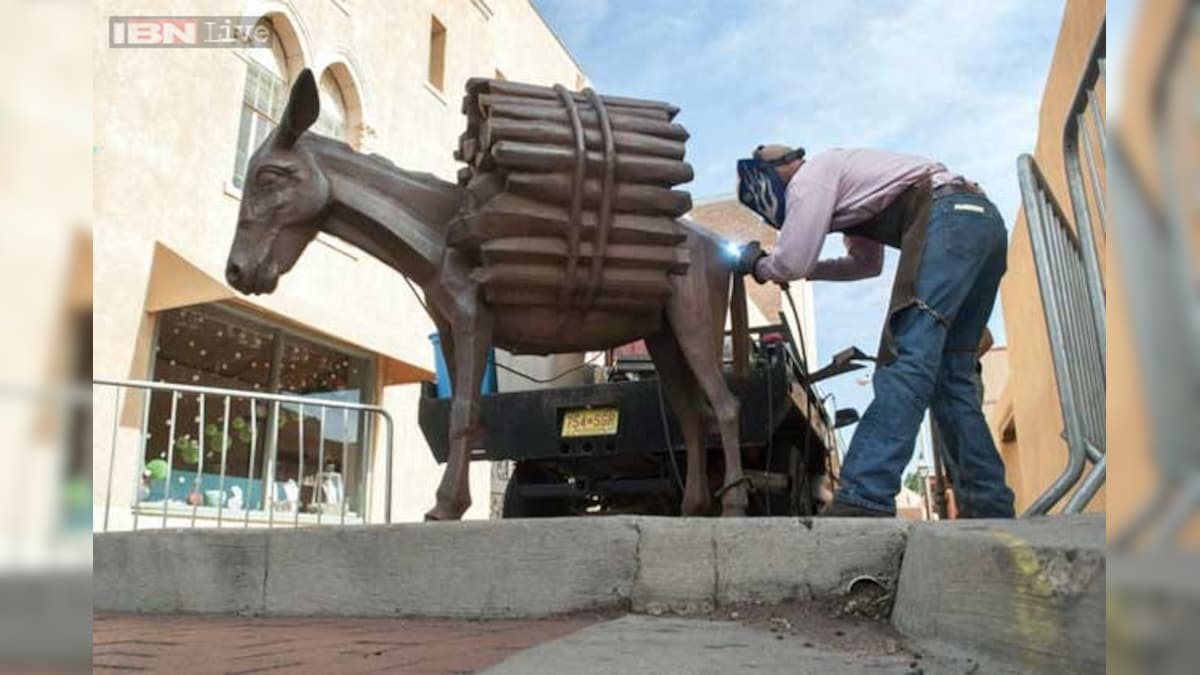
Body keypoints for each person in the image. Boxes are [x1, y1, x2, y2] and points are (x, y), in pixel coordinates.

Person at [734, 144, 1015, 518]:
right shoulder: (850, 188)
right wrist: (802, 268)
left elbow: (791, 261)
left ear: (778, 170)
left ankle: (865, 494)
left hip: (945, 218)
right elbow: (863, 265)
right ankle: (988, 506)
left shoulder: (810, 176)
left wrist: (759, 264)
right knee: (952, 377)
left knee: (905, 357)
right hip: (982, 224)